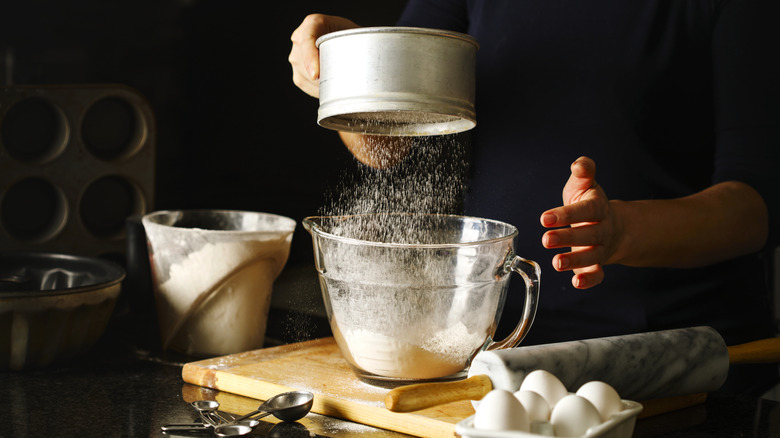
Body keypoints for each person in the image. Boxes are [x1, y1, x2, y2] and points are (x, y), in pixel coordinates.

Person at [289, 1, 780, 395]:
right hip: (496, 363)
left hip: (679, 363)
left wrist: (623, 231)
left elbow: (756, 206)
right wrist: (352, 68)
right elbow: (387, 145)